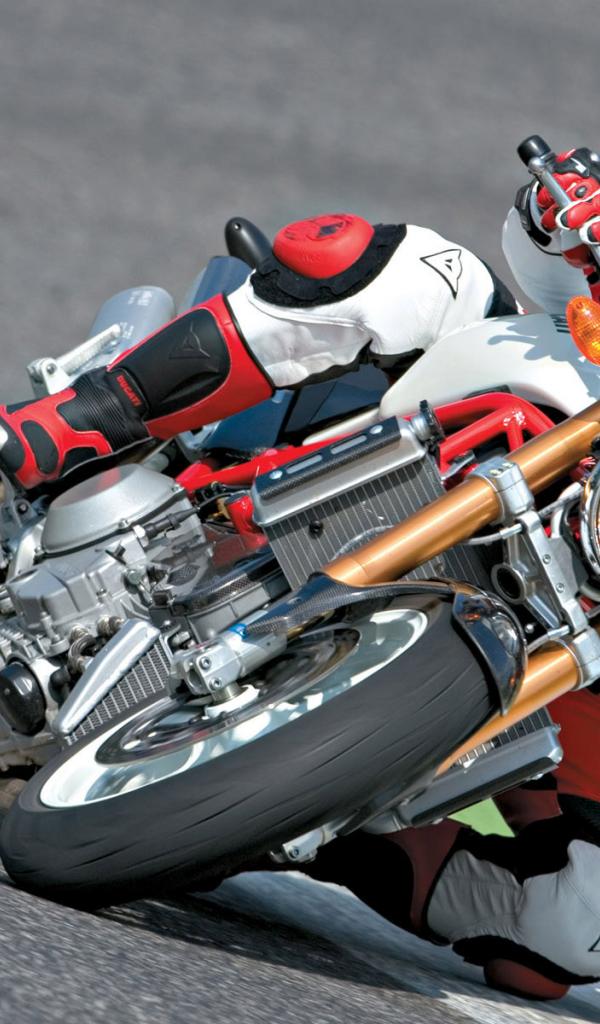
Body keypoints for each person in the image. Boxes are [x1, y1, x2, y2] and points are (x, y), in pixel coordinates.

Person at [3, 150, 600, 1001]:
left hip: (576, 669)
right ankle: (78, 423)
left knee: (580, 926)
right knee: (421, 272)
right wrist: (573, 212)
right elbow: (543, 233)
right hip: (533, 428)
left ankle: (283, 819)